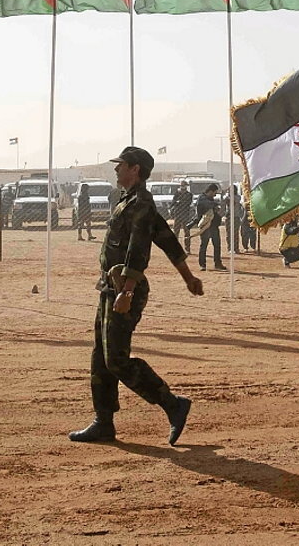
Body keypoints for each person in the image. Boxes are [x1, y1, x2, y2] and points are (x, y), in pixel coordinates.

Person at [68, 146, 204, 445]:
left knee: (116, 358)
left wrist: (127, 291)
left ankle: (172, 404)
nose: (116, 170)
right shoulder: (128, 200)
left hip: (124, 289)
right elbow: (168, 241)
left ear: (136, 170)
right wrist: (188, 277)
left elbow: (138, 251)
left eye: (121, 165)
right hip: (109, 287)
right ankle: (103, 422)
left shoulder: (140, 202)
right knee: (101, 356)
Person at [196, 183, 223, 271]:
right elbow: (207, 204)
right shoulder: (202, 198)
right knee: (204, 245)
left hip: (213, 225)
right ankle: (202, 264)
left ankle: (218, 264)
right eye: (215, 192)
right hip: (205, 226)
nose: (215, 194)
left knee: (217, 244)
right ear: (211, 191)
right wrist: (215, 204)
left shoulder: (210, 199)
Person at [170, 180, 193, 253]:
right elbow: (173, 203)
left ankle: (187, 248)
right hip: (178, 214)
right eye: (182, 185)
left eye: (185, 185)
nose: (183, 187)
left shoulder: (189, 194)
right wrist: (176, 203)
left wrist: (180, 202)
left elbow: (188, 203)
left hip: (185, 215)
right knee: (176, 231)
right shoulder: (177, 193)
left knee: (187, 232)